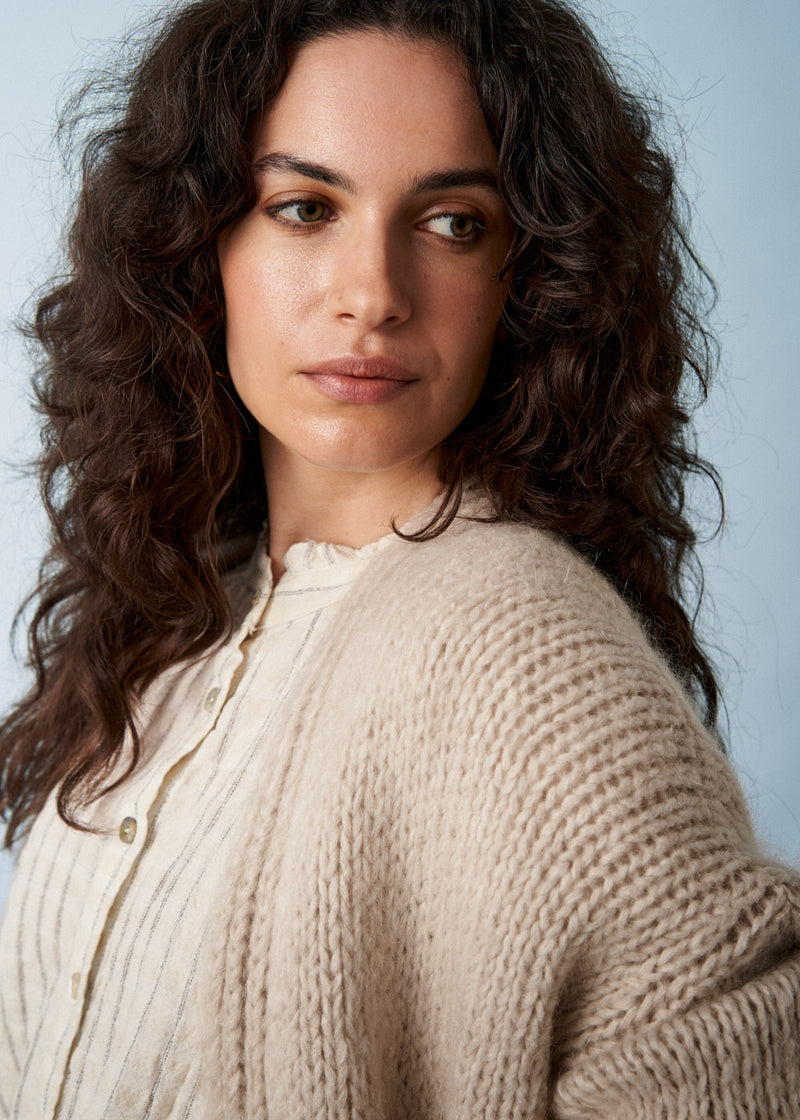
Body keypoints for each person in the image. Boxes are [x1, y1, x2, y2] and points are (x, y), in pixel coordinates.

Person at [0, 0, 798, 1115]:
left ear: (526, 275)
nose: (371, 292)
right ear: (197, 245)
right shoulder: (185, 609)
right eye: (304, 206)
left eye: (453, 223)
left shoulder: (522, 642)